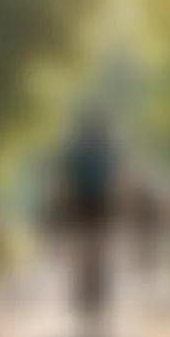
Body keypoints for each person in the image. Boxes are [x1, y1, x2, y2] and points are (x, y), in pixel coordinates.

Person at [58, 108, 119, 317]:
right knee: (95, 242)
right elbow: (115, 181)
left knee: (83, 241)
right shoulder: (106, 151)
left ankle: (85, 283)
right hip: (98, 200)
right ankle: (93, 282)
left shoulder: (76, 151)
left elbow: (66, 180)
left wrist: (65, 203)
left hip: (84, 200)